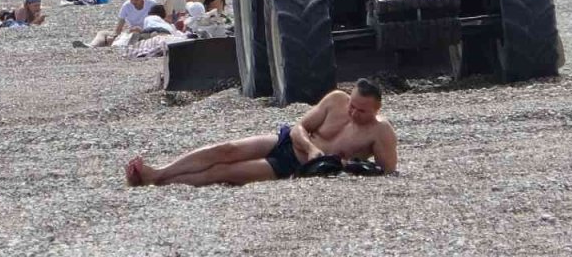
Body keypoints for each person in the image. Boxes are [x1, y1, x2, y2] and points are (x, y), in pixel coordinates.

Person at [126, 79, 398, 187]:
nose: (353, 113)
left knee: (225, 172)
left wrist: (348, 165)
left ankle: (160, 182)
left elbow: (386, 170)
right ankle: (159, 171)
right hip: (289, 143)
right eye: (352, 105)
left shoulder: (380, 131)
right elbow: (299, 127)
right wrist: (312, 148)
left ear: (376, 109)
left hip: (293, 165)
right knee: (226, 149)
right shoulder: (336, 99)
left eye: (361, 111)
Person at [73, 0, 156, 48]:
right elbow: (119, 27)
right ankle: (92, 45)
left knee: (150, 35)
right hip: (131, 33)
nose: (133, 1)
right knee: (102, 33)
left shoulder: (152, 4)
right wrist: (114, 36)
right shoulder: (126, 6)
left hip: (147, 33)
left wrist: (142, 30)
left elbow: (159, 23)